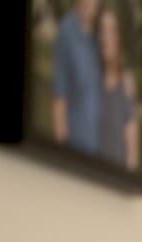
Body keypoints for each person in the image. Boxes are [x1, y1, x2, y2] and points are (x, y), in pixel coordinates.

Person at [51, 0, 102, 152]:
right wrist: (62, 151)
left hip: (95, 152)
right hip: (74, 148)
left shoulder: (95, 39)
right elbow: (59, 98)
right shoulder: (66, 32)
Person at [95, 4, 138, 169]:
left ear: (118, 38)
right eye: (102, 31)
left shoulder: (126, 82)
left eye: (111, 32)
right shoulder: (90, 79)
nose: (106, 38)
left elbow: (131, 144)